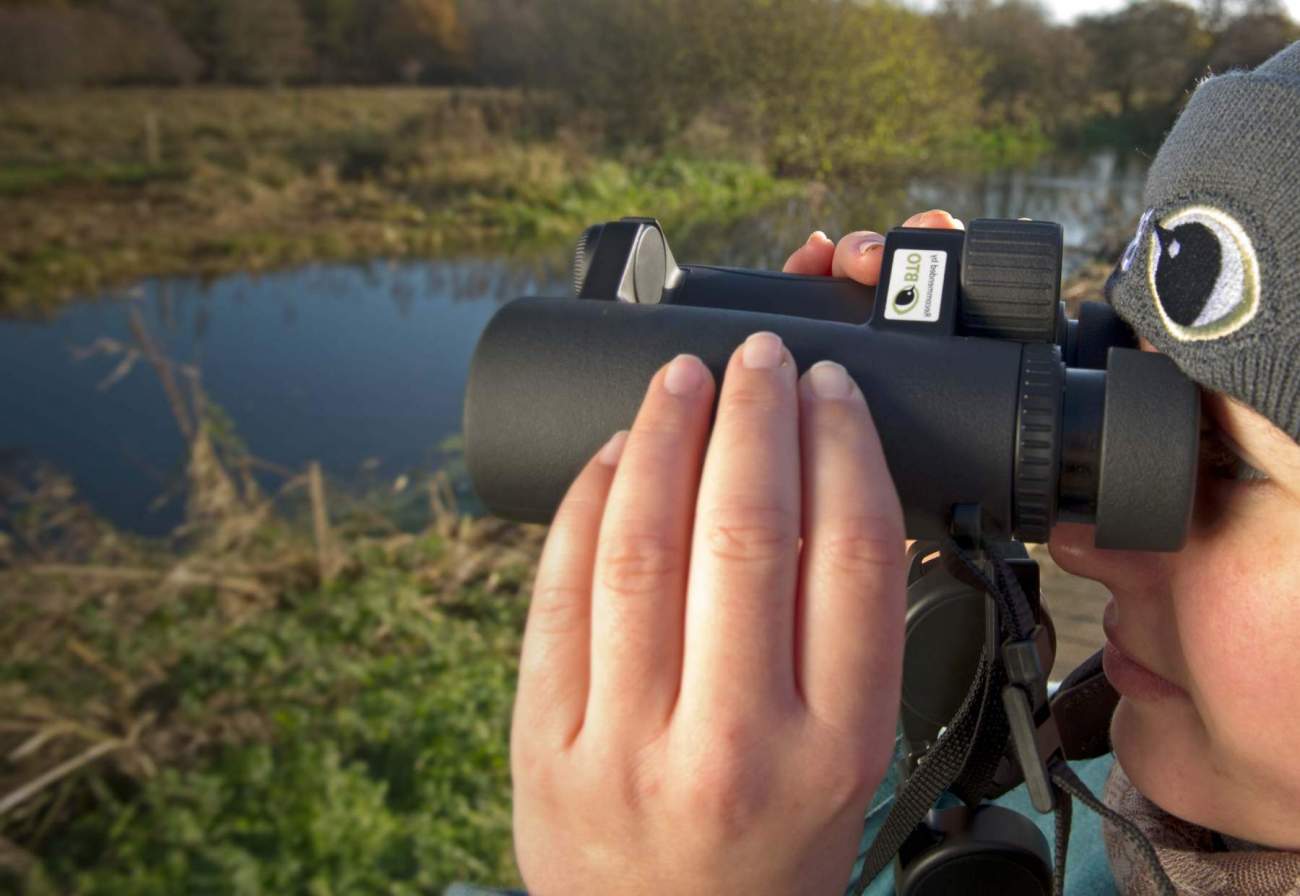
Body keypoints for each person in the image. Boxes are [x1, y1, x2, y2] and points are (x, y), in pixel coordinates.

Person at [505, 42, 1300, 896]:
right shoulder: (1104, 808)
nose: (1076, 545)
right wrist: (855, 759)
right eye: (1122, 389)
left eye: (1227, 465)